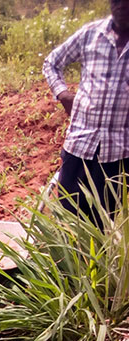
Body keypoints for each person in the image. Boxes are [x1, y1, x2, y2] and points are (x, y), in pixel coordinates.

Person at [43, 0, 129, 225]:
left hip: (118, 156)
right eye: (117, 0)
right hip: (79, 147)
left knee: (103, 226)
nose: (122, 6)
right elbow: (51, 63)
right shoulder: (91, 34)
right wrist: (63, 94)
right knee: (68, 222)